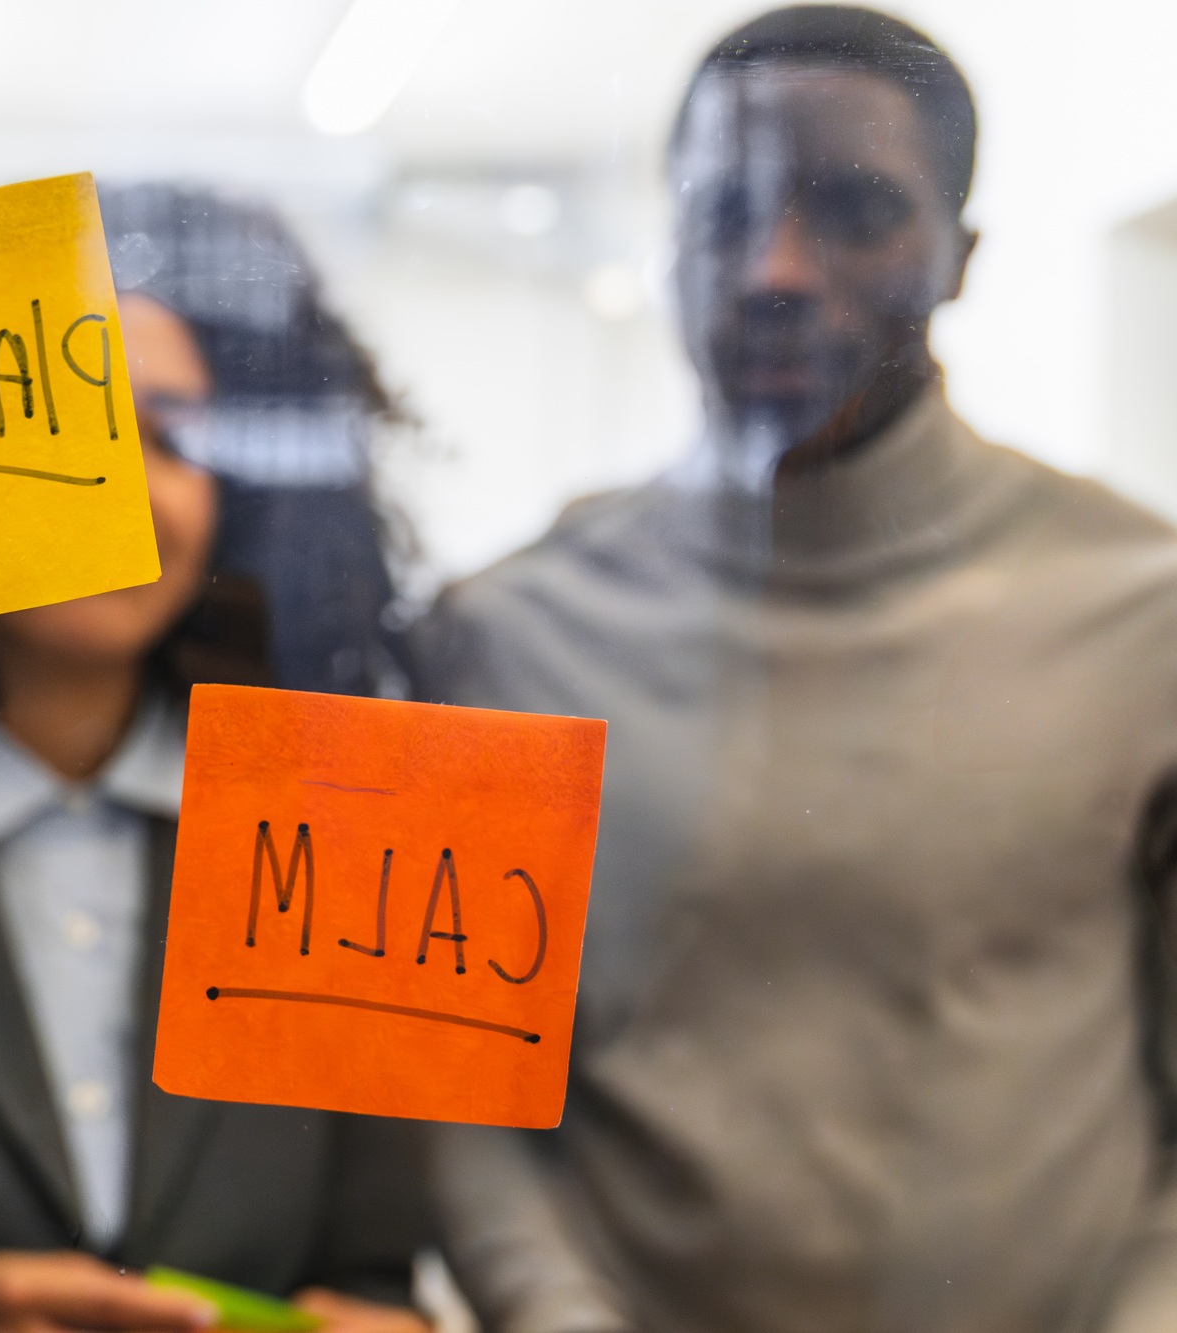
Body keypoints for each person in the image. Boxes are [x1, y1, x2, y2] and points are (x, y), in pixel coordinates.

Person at [412, 8, 1177, 1333]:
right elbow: (463, 1093)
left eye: (856, 210)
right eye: (723, 215)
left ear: (961, 258)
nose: (773, 267)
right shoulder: (507, 630)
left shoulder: (1144, 613)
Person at [0, 185, 427, 1333]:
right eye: (70, 424)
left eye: (171, 436)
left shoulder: (339, 847)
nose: (118, 480)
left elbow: (376, 1268)